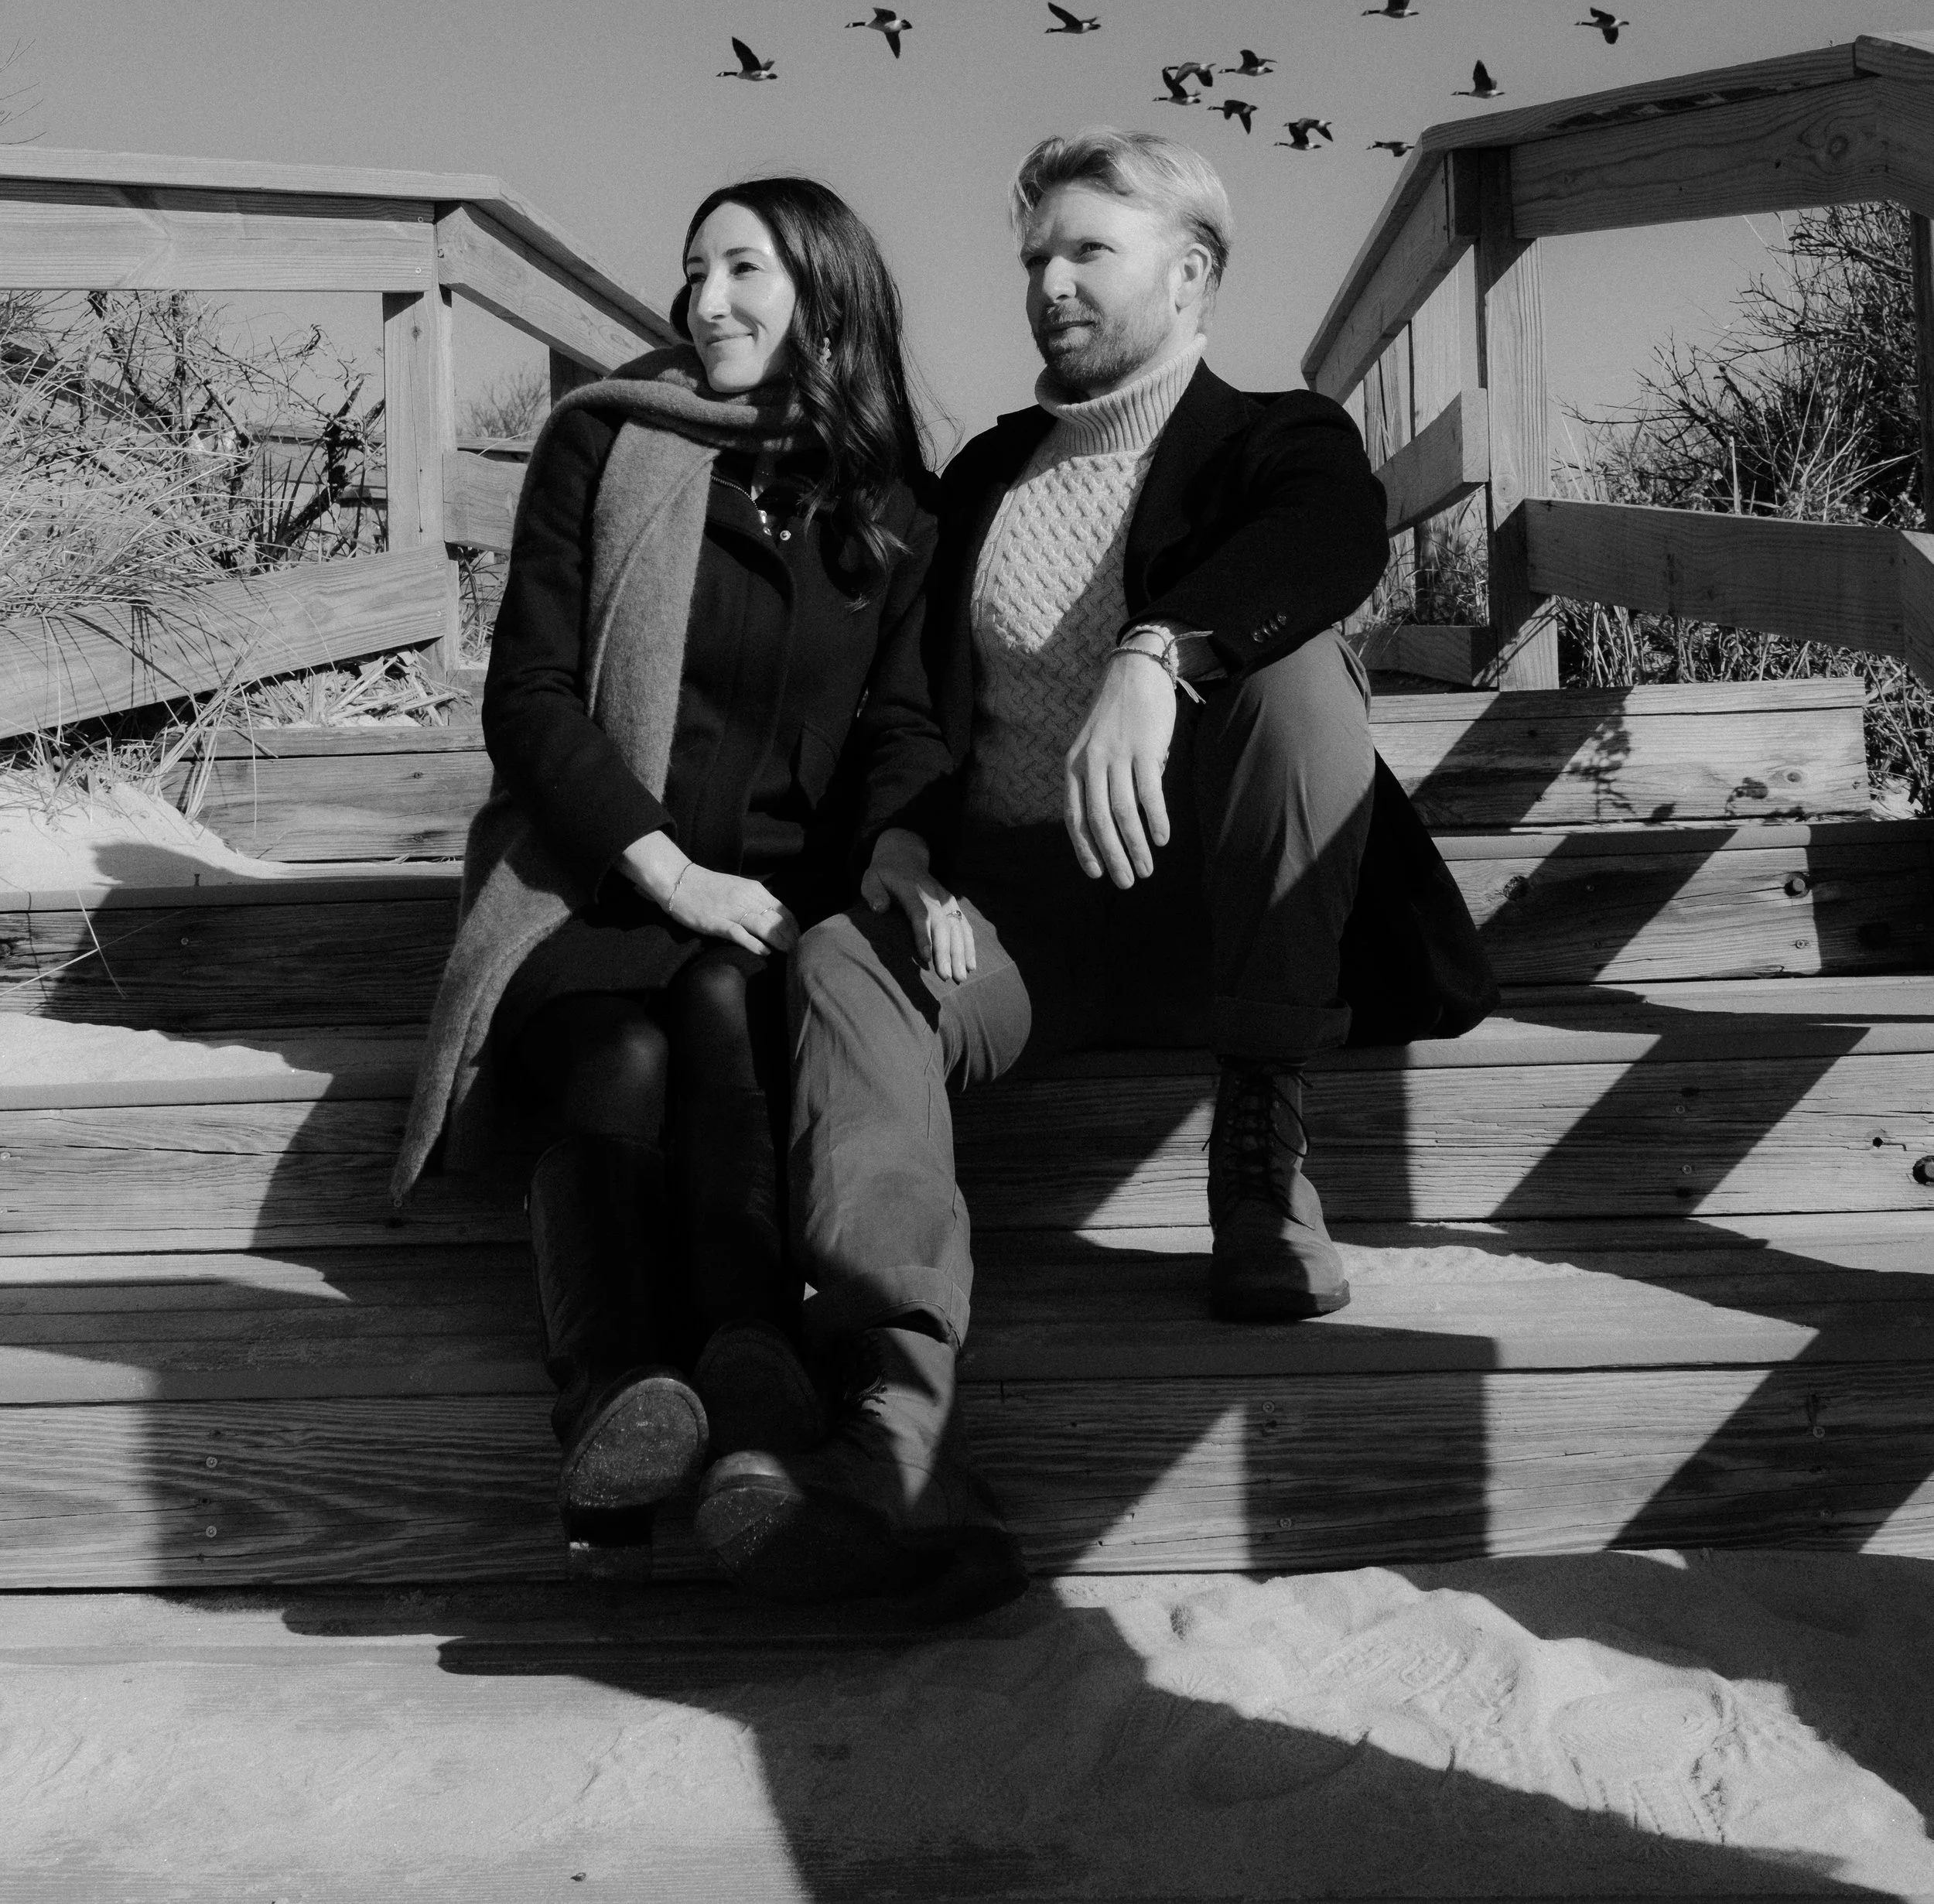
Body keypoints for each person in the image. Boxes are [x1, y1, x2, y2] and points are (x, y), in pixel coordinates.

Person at [694, 127, 1495, 1609]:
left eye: (1086, 252)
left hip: (1223, 907)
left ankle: (1261, 1164)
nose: (1048, 283)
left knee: (1303, 676)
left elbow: (1332, 538)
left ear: (1188, 274)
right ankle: (903, 1430)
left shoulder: (1277, 437)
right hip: (1022, 922)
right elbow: (915, 705)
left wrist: (1161, 647)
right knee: (836, 957)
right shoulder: (988, 471)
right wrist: (904, 842)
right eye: (1034, 259)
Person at [389, 176, 955, 1540]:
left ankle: (746, 1373)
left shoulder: (894, 509)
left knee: (716, 1005)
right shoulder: (609, 442)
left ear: (826, 289)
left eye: (745, 270)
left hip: (772, 900)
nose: (707, 302)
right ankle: (615, 1392)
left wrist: (894, 846)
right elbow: (526, 695)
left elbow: (909, 723)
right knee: (624, 1052)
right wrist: (662, 867)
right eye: (694, 270)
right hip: (586, 877)